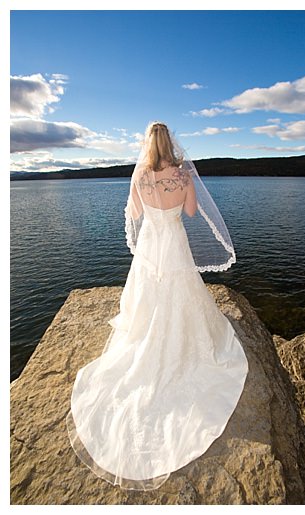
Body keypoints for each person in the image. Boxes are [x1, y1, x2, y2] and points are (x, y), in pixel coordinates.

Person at [66, 122, 249, 490]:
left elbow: (133, 214)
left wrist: (151, 201)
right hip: (174, 242)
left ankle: (146, 332)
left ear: (147, 144)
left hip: (151, 245)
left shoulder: (140, 175)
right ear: (171, 142)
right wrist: (179, 194)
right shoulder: (181, 175)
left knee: (148, 293)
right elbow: (194, 212)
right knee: (182, 290)